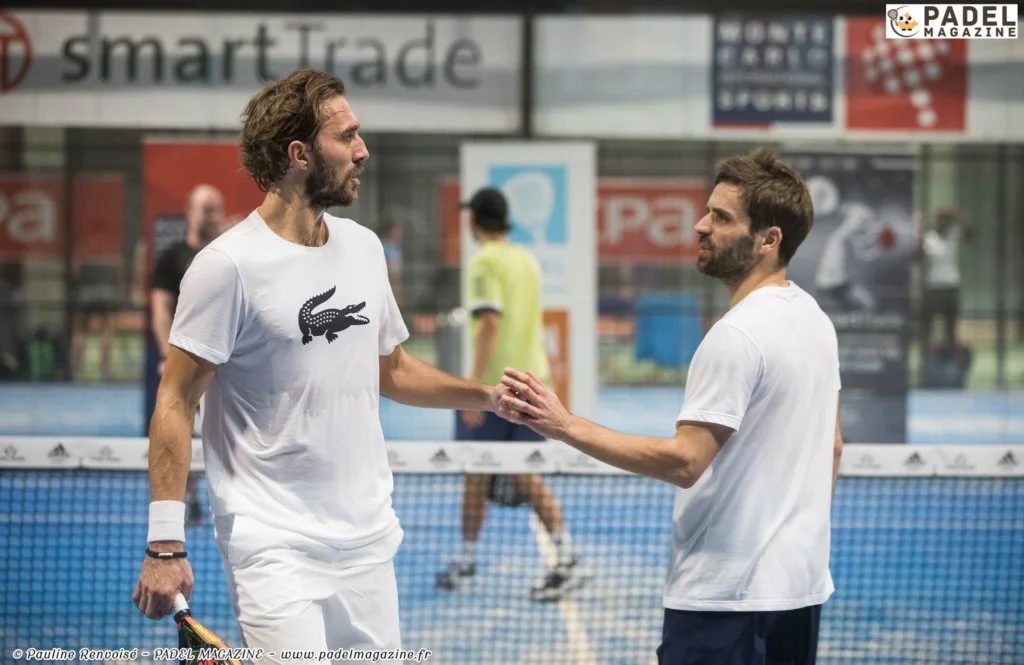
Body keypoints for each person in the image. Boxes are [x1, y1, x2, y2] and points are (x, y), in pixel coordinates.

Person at [131, 68, 503, 663]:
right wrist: (165, 543)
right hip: (272, 544)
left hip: (368, 540)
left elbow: (391, 369)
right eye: (347, 136)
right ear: (300, 154)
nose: (363, 150)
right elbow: (175, 400)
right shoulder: (226, 267)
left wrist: (486, 395)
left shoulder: (364, 248)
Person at [497, 149, 843, 665]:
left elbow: (685, 462)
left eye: (721, 218)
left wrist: (565, 425)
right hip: (800, 587)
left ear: (768, 240)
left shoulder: (737, 335)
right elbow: (832, 447)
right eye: (707, 211)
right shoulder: (815, 320)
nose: (701, 226)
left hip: (726, 598)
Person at [435, 186, 583, 602]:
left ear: (473, 221)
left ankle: (467, 564)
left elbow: (489, 325)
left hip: (498, 389)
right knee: (526, 474)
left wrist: (472, 388)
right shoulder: (526, 260)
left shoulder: (484, 261)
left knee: (476, 474)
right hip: (535, 383)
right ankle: (567, 559)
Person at [150, 183, 226, 527]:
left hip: (226, 364)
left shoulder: (229, 256)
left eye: (216, 209)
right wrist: (168, 355)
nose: (212, 216)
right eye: (205, 209)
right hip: (188, 362)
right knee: (181, 427)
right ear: (189, 213)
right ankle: (187, 498)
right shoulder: (172, 258)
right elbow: (161, 308)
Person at [918, 207, 973, 352]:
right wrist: (919, 233)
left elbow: (970, 233)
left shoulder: (953, 236)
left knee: (950, 325)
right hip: (933, 286)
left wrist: (959, 214)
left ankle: (950, 351)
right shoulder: (929, 238)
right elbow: (919, 256)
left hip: (951, 286)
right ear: (937, 222)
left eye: (947, 221)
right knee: (927, 323)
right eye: (941, 221)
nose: (944, 224)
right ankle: (927, 352)